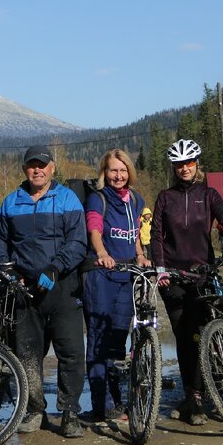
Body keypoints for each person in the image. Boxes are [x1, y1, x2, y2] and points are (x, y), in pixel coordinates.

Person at [150, 139, 223, 426]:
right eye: (179, 164)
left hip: (203, 274)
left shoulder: (208, 194)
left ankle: (219, 389)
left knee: (206, 333)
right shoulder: (165, 197)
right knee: (185, 337)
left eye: (189, 163)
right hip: (173, 277)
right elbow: (156, 235)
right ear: (174, 167)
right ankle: (193, 397)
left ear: (197, 165)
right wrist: (160, 269)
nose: (184, 168)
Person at [0, 145, 88, 438]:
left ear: (52, 168)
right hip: (24, 290)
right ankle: (35, 410)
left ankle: (70, 412)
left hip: (62, 287)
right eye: (32, 165)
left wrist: (55, 268)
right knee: (28, 353)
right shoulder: (11, 202)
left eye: (42, 165)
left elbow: (78, 242)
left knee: (70, 352)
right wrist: (9, 273)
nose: (37, 170)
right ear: (25, 169)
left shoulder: (68, 199)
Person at [82, 149, 151, 422]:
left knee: (116, 343)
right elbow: (95, 229)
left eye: (123, 170)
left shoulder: (135, 199)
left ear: (129, 172)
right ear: (104, 172)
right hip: (101, 276)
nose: (118, 176)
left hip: (126, 275)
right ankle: (102, 406)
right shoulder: (98, 199)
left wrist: (142, 256)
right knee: (98, 340)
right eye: (113, 170)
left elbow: (135, 233)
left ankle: (116, 402)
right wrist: (101, 253)